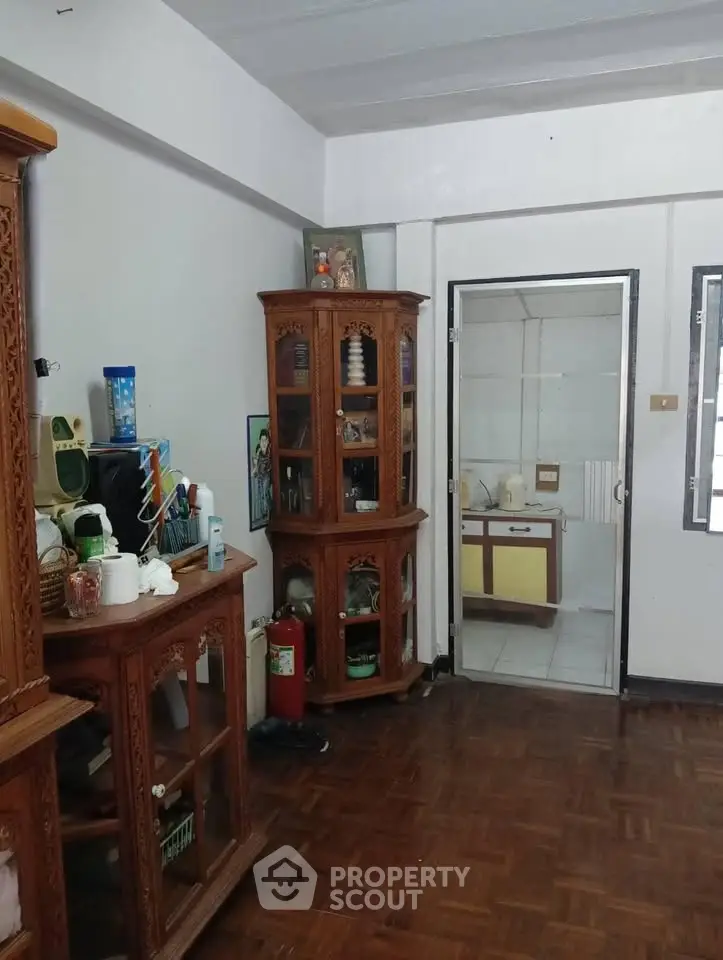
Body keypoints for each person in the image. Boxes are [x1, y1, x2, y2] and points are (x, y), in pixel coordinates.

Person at [252, 428, 272, 523]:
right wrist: (254, 471)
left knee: (265, 493)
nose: (264, 443)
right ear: (259, 441)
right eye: (262, 440)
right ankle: (263, 514)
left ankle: (269, 514)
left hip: (267, 474)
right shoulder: (258, 450)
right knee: (260, 495)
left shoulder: (270, 451)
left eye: (266, 440)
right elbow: (256, 463)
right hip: (260, 475)